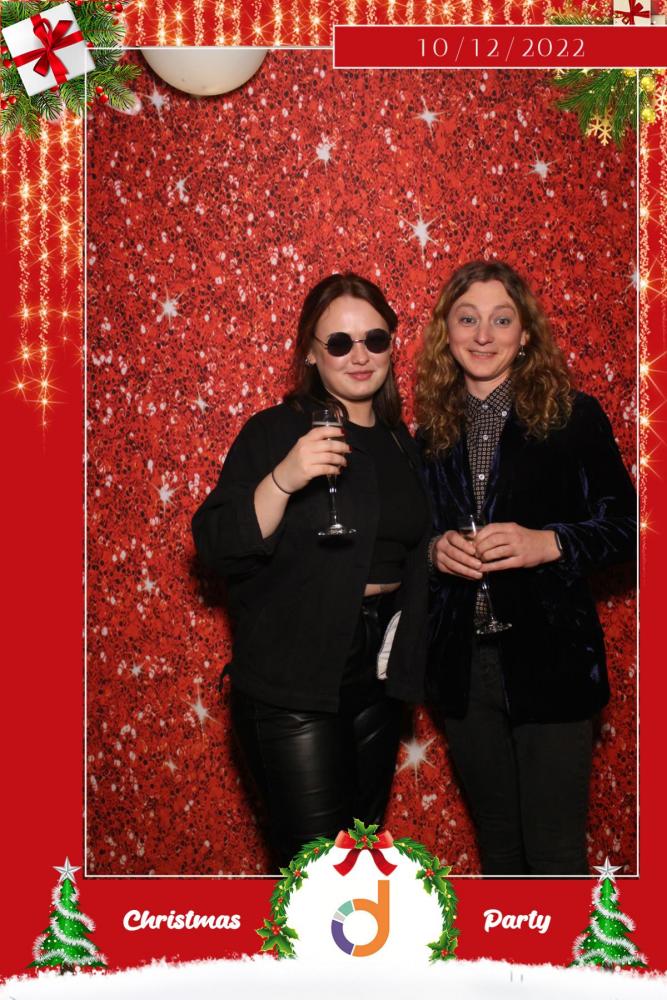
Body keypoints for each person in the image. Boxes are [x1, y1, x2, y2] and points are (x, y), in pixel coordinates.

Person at [192, 272, 431, 866]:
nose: (360, 356)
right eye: (340, 343)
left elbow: (409, 548)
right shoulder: (274, 432)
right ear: (310, 352)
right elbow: (215, 545)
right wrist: (284, 478)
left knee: (358, 862)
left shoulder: (403, 443)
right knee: (315, 873)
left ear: (392, 345)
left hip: (378, 678)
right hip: (294, 679)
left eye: (375, 340)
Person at [415, 259, 636, 876]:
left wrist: (551, 542)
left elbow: (631, 529)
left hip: (553, 661)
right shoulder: (428, 434)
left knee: (555, 855)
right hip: (463, 669)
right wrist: (433, 552)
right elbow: (404, 543)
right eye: (468, 319)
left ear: (526, 334)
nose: (483, 335)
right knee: (501, 851)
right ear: (447, 333)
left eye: (501, 319)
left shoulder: (573, 416)